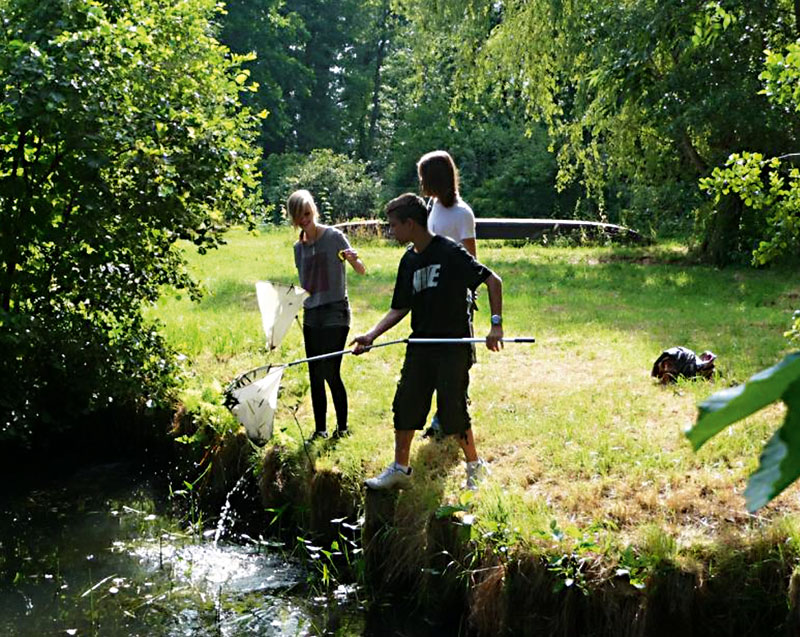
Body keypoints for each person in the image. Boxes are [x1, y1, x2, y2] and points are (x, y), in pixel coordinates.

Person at [351, 193, 504, 491]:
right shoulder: (408, 260)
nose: (391, 231)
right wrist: (371, 335)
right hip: (420, 345)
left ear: (410, 223)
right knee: (405, 404)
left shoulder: (448, 252)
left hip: (451, 346)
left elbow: (492, 280)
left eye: (394, 225)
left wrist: (495, 325)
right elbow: (400, 307)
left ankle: (475, 466)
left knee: (452, 410)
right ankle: (400, 469)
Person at [288, 189, 366, 440]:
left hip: (335, 310)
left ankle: (342, 429)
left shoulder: (333, 237)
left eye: (308, 213)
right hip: (311, 313)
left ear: (314, 211)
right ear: (293, 218)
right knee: (314, 373)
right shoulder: (297, 249)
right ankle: (320, 430)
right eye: (299, 216)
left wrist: (353, 260)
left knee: (330, 370)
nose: (305, 219)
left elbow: (361, 269)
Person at [417, 150, 478, 439]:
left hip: (454, 297)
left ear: (436, 179)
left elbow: (470, 259)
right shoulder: (433, 206)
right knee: (435, 356)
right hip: (432, 293)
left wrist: (468, 294)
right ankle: (443, 412)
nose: (420, 184)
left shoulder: (462, 214)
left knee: (455, 358)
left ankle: (450, 414)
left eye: (423, 178)